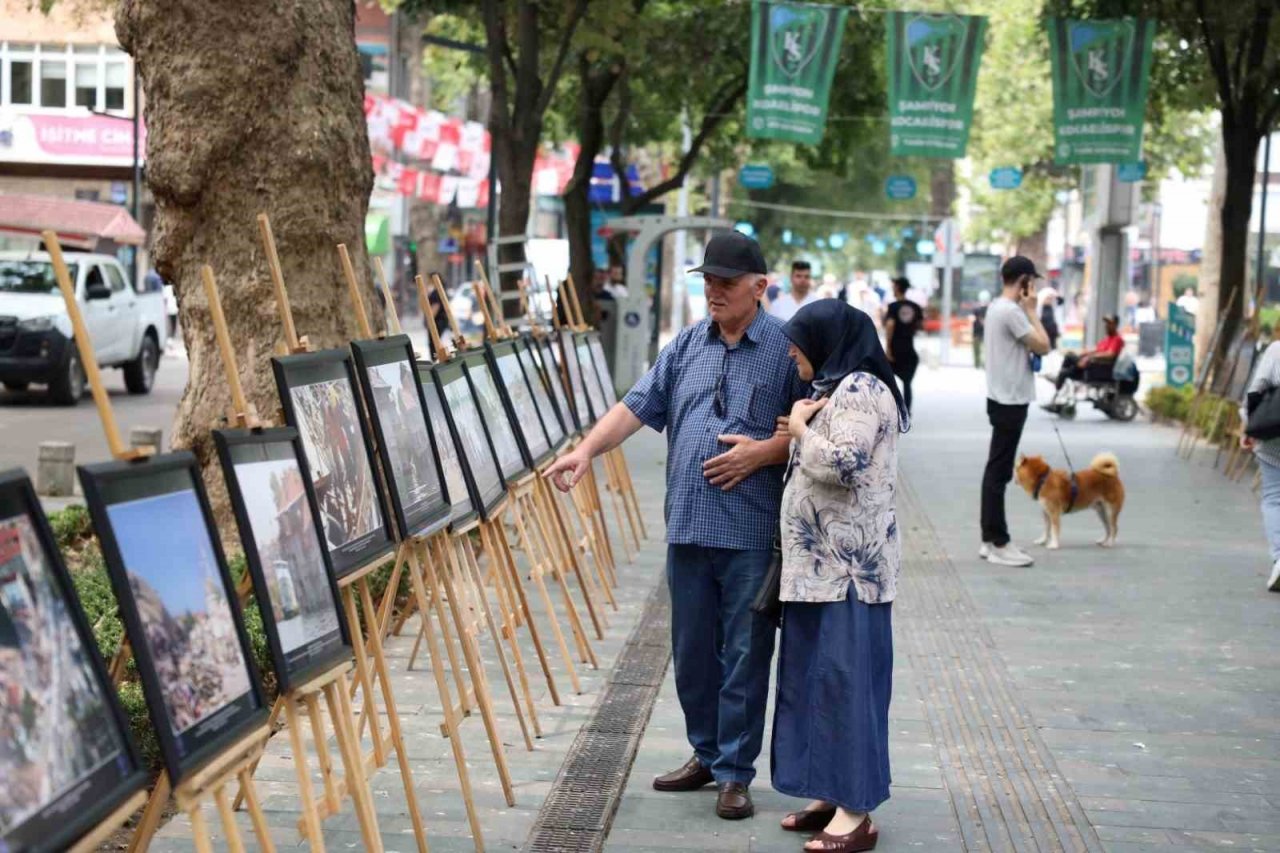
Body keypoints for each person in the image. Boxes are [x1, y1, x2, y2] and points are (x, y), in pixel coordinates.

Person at [545, 231, 803, 820]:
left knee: (743, 654)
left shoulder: (785, 350)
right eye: (707, 280)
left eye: (726, 282)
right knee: (691, 656)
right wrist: (586, 452)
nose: (713, 290)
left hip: (749, 534)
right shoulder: (686, 345)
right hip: (686, 528)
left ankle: (736, 773)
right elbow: (635, 406)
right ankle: (707, 754)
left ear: (759, 287)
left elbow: (810, 431)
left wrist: (764, 452)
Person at [770, 300, 908, 853]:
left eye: (798, 340)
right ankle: (828, 793)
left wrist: (801, 429)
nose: (790, 350)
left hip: (848, 573)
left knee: (846, 687)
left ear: (827, 339)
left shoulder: (858, 388)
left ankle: (856, 814)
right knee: (815, 682)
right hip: (820, 570)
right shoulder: (840, 384)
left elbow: (844, 463)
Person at [980, 256, 1051, 568]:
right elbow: (1043, 345)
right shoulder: (1012, 312)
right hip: (1010, 400)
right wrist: (1034, 311)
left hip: (1001, 397)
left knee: (996, 469)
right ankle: (999, 542)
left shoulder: (998, 308)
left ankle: (989, 539)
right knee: (999, 472)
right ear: (1024, 281)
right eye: (1031, 281)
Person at [1241, 338, 1280, 592]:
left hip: (1275, 437)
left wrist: (1248, 425)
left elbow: (1255, 391)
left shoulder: (1277, 349)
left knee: (1274, 496)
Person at [1054, 314, 1125, 391]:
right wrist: (1084, 353)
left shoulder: (1117, 339)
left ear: (1115, 325)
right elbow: (1096, 349)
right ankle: (1061, 377)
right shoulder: (1107, 339)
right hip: (1090, 366)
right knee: (1068, 361)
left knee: (1068, 359)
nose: (1106, 326)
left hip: (1098, 369)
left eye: (1109, 323)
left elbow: (1110, 354)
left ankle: (1059, 381)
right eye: (1106, 323)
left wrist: (1090, 357)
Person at [883, 277, 923, 414]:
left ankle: (891, 409)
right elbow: (919, 326)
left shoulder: (893, 307)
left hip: (894, 350)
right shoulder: (915, 307)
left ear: (898, 287)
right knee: (907, 383)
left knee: (887, 382)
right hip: (909, 349)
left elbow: (890, 325)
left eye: (894, 286)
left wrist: (888, 348)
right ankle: (906, 411)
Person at [1037, 285, 1063, 351]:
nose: (1050, 300)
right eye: (1048, 298)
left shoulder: (1054, 308)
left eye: (1051, 299)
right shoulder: (1039, 309)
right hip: (1042, 333)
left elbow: (1061, 301)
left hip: (1052, 335)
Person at [972, 290, 990, 369]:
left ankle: (979, 364)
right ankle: (980, 364)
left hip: (980, 332)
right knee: (981, 349)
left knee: (980, 349)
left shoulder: (978, 309)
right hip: (980, 332)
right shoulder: (988, 309)